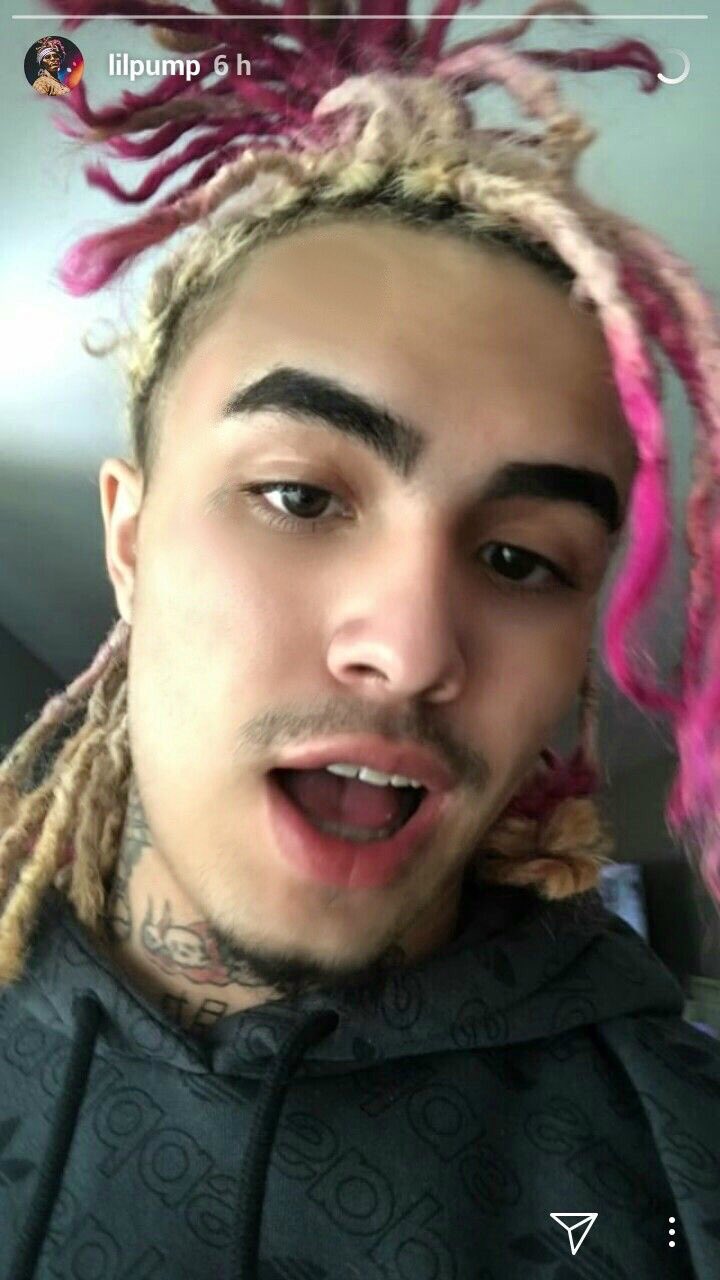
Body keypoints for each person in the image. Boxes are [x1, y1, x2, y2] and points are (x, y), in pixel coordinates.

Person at [2, 2, 720, 1277]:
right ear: (130, 538)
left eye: (521, 559)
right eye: (299, 495)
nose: (412, 647)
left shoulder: (680, 1160)